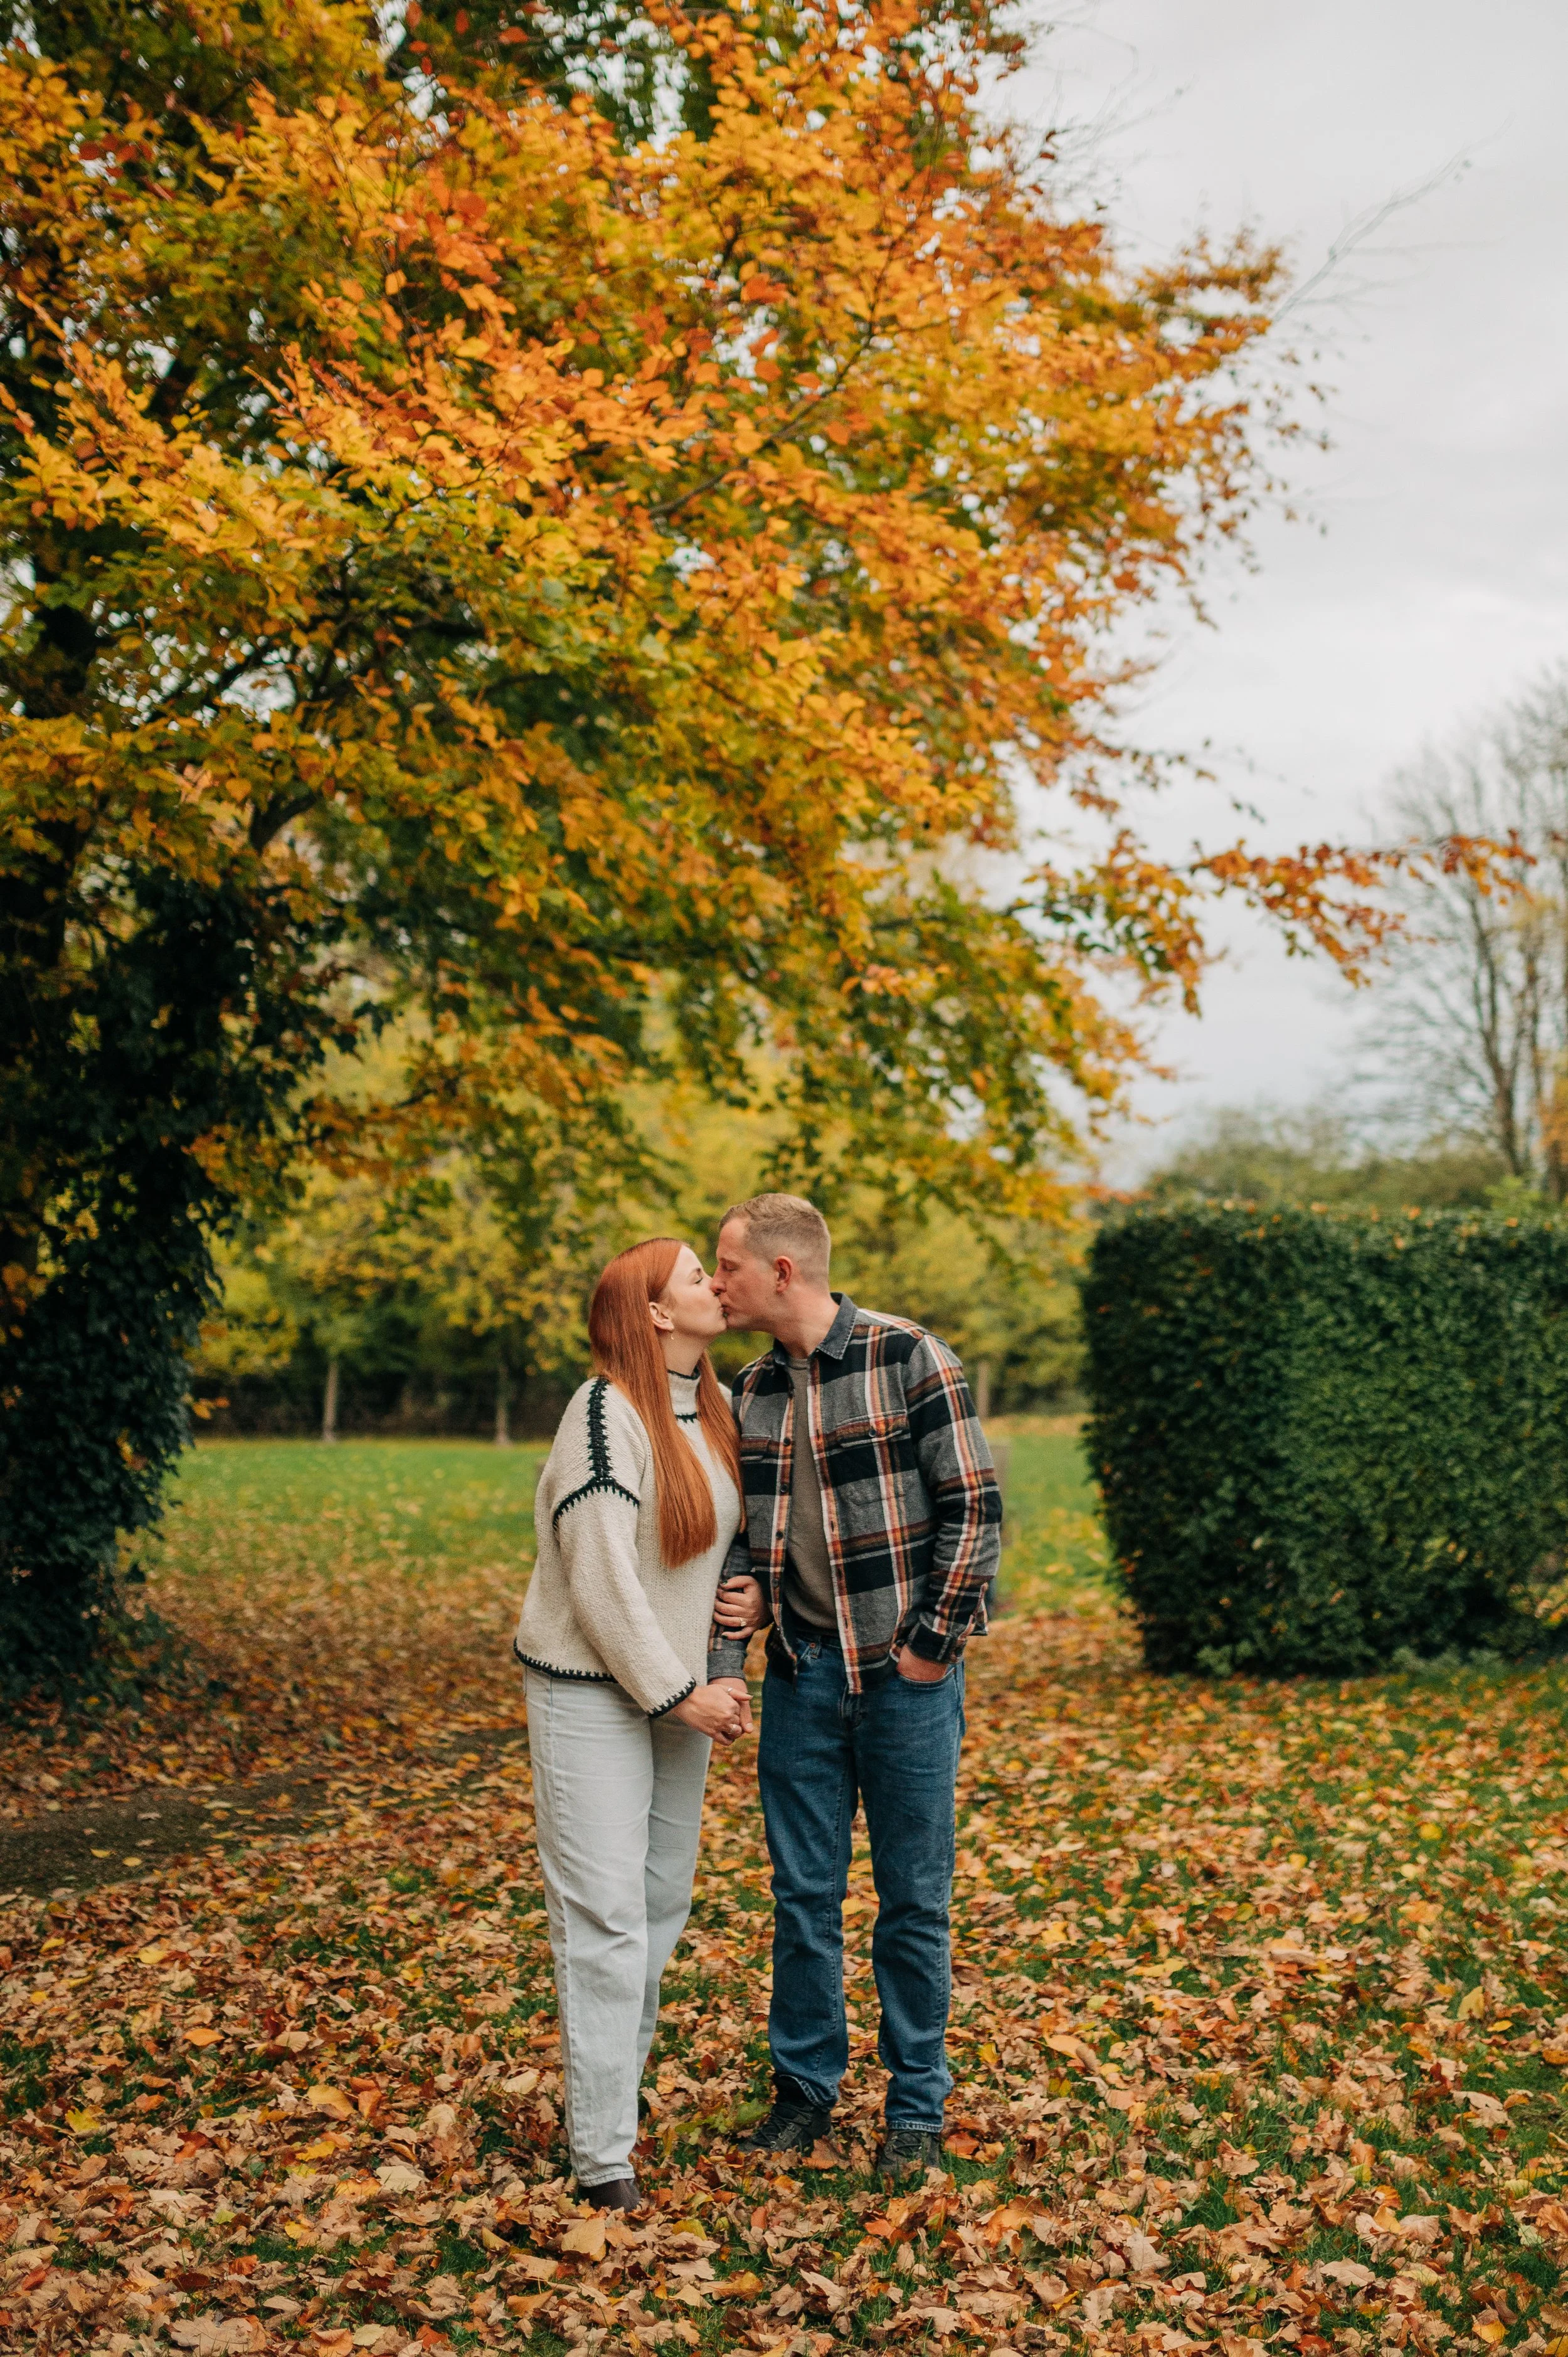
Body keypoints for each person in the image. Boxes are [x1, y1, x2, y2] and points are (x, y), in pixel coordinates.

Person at [711, 1192, 1000, 2182]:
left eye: (729, 1267)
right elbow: (745, 1548)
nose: (717, 1283)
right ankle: (805, 2094)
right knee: (803, 1897)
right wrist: (746, 1622)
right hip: (801, 1680)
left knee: (913, 1901)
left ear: (782, 1271)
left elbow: (974, 1506)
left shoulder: (909, 1356)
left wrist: (928, 1646)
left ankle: (916, 2104)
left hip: (904, 1683)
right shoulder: (748, 1391)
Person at [514, 1237, 766, 2211]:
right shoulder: (603, 1413)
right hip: (592, 1694)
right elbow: (604, 1577)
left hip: (675, 1696)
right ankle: (602, 2158)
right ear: (655, 1312)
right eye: (696, 1274)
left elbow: (726, 1535)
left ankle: (608, 2102)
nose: (715, 1283)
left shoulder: (716, 1405)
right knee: (608, 1919)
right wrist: (678, 1692)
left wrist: (743, 1604)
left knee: (659, 1911)